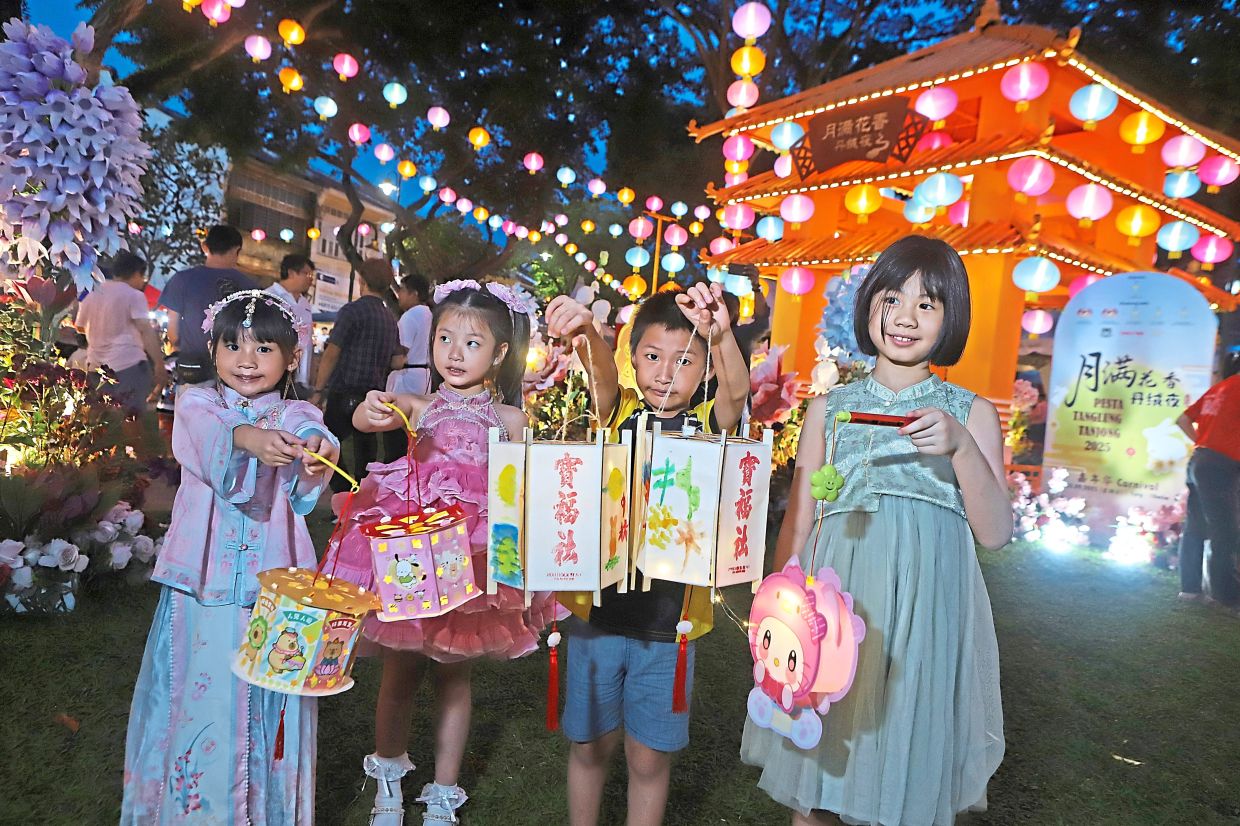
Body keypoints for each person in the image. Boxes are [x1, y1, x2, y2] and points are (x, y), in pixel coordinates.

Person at [739, 235, 1009, 826]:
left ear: (951, 317)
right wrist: (778, 608)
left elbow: (995, 532)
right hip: (838, 602)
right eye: (892, 299)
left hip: (924, 610)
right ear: (868, 308)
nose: (905, 317)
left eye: (927, 304)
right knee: (820, 764)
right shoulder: (829, 408)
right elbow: (802, 519)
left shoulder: (970, 413)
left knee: (906, 747)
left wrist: (961, 448)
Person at [327, 279, 557, 825]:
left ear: (502, 353)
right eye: (445, 338)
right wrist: (371, 409)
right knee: (401, 671)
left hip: (467, 563)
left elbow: (524, 491)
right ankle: (388, 781)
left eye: (473, 343)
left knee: (455, 674)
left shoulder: (511, 422)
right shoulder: (416, 404)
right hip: (410, 557)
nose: (455, 354)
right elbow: (363, 419)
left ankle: (442, 792)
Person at [121, 290, 340, 824]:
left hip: (275, 586)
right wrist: (250, 438)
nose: (246, 360)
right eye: (233, 345)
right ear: (214, 351)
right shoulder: (198, 402)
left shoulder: (297, 411)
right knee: (202, 685)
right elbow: (206, 434)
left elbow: (314, 436)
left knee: (272, 691)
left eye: (264, 348)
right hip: (205, 583)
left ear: (292, 358)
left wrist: (318, 452)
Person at [543, 283, 751, 826]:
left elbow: (736, 394)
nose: (664, 373)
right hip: (596, 617)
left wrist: (722, 334)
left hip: (670, 628)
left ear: (704, 370)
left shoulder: (708, 428)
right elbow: (602, 378)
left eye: (684, 361)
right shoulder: (620, 415)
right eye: (652, 356)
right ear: (632, 359)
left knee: (648, 757)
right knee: (590, 746)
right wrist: (588, 329)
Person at [312, 259, 406, 492]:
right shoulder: (389, 319)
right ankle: (362, 497)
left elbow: (332, 353)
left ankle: (343, 492)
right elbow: (396, 360)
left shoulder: (352, 311)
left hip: (344, 390)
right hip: (373, 396)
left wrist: (318, 390)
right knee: (366, 453)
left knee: (326, 443)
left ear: (362, 280)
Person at [1176, 348, 1240, 612]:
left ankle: (1190, 590)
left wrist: (1203, 444)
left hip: (1199, 461)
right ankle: (1224, 596)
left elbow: (1182, 419)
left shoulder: (1222, 387)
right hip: (1221, 466)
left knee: (1195, 526)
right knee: (1223, 530)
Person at [159, 224, 256, 391]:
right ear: (237, 250)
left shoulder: (182, 280)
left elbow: (173, 333)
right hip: (235, 377)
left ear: (205, 247)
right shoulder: (249, 287)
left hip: (192, 373)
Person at [74, 251, 167, 413]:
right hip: (128, 365)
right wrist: (159, 363)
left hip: (96, 366)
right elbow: (145, 329)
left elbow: (80, 327)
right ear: (137, 274)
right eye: (142, 277)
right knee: (131, 418)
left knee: (99, 421)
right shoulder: (134, 295)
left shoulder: (93, 292)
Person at [267, 252, 317, 394]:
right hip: (276, 373)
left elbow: (307, 341)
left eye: (311, 275)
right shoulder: (269, 297)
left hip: (301, 377)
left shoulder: (305, 303)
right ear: (291, 273)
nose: (310, 279)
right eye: (306, 274)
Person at [387, 273, 434, 396]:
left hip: (407, 380)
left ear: (414, 294)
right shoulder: (429, 314)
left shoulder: (410, 316)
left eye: (402, 290)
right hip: (423, 378)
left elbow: (399, 356)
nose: (399, 295)